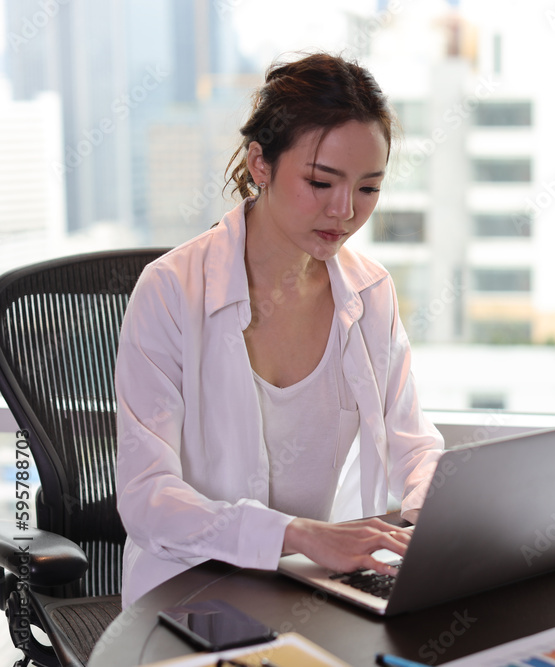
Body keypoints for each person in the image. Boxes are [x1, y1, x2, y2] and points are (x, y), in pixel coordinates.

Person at [115, 52, 443, 608]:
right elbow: (148, 498)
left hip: (312, 588)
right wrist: (296, 534)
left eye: (368, 189)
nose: (344, 211)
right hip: (190, 590)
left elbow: (414, 445)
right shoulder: (170, 291)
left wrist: (437, 506)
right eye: (321, 182)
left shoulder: (368, 293)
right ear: (260, 164)